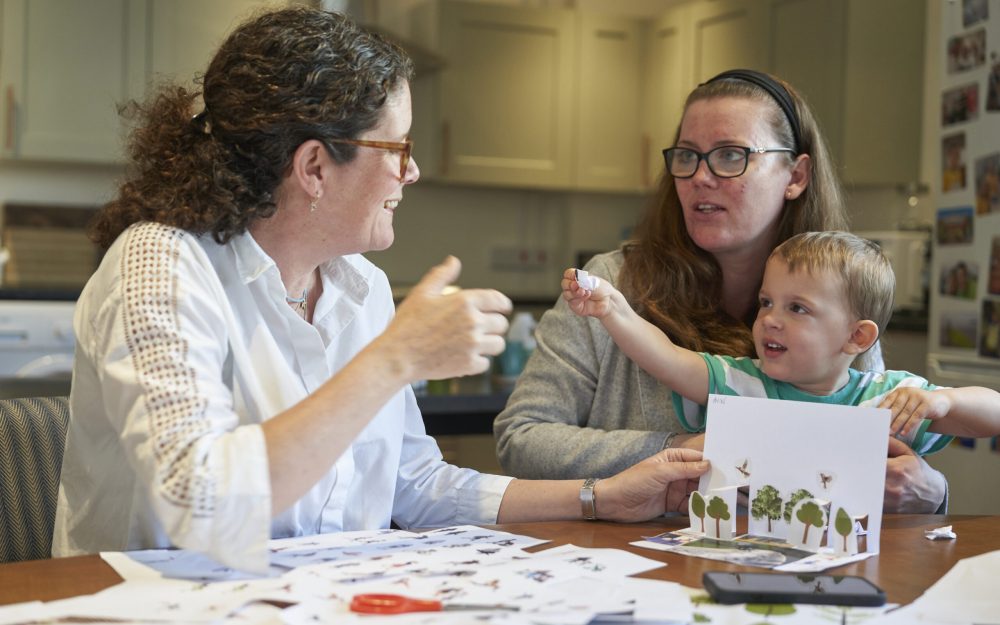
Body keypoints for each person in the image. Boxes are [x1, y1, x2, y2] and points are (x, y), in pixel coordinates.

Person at [51, 7, 709, 573]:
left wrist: (600, 495)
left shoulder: (359, 284)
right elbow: (200, 501)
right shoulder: (160, 265)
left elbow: (413, 485)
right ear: (314, 166)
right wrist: (396, 357)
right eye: (398, 148)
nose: (412, 171)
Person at [494, 69, 950, 513]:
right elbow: (521, 439)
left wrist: (932, 491)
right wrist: (683, 450)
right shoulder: (610, 284)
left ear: (796, 176)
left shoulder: (839, 295)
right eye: (687, 156)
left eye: (731, 155)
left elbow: (881, 455)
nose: (700, 176)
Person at [563, 231, 1000, 444]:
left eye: (797, 309)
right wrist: (614, 309)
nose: (769, 319)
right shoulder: (739, 383)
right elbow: (666, 358)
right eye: (766, 302)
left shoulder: (888, 403)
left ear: (856, 336)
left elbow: (992, 416)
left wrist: (947, 401)